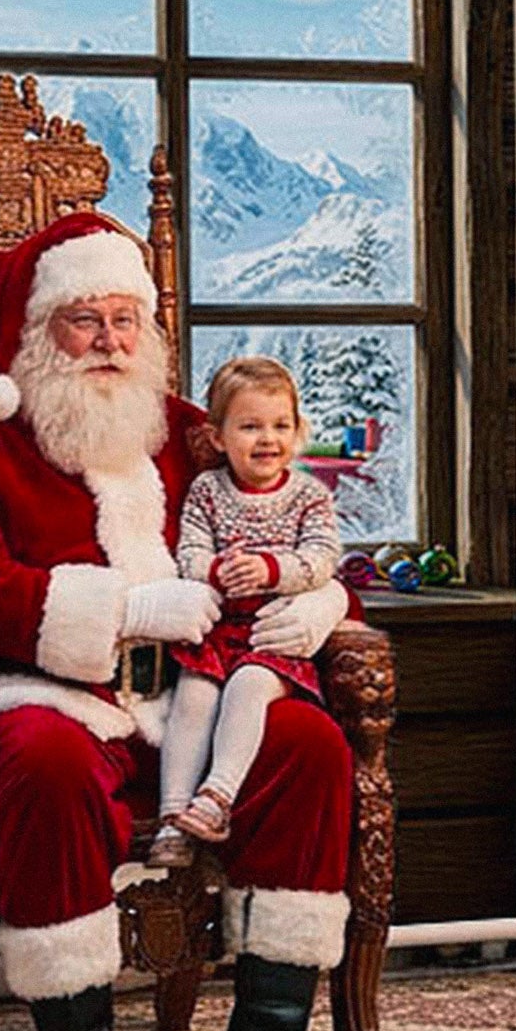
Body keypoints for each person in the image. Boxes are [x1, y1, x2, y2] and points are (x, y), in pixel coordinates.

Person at [0, 213, 369, 1031]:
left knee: (312, 748)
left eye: (127, 318)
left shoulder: (187, 435)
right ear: (37, 333)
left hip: (187, 700)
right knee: (47, 762)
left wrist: (322, 601)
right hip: (39, 692)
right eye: (85, 320)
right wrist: (123, 609)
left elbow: (294, 509)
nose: (111, 342)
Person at [150, 357, 343, 867]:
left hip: (272, 637)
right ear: (217, 437)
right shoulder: (207, 493)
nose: (268, 439)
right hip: (219, 630)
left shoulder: (308, 497)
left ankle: (216, 797)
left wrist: (271, 569)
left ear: (298, 431)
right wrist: (215, 570)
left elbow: (323, 559)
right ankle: (172, 819)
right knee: (192, 697)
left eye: (281, 426)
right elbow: (187, 555)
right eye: (250, 426)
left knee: (248, 688)